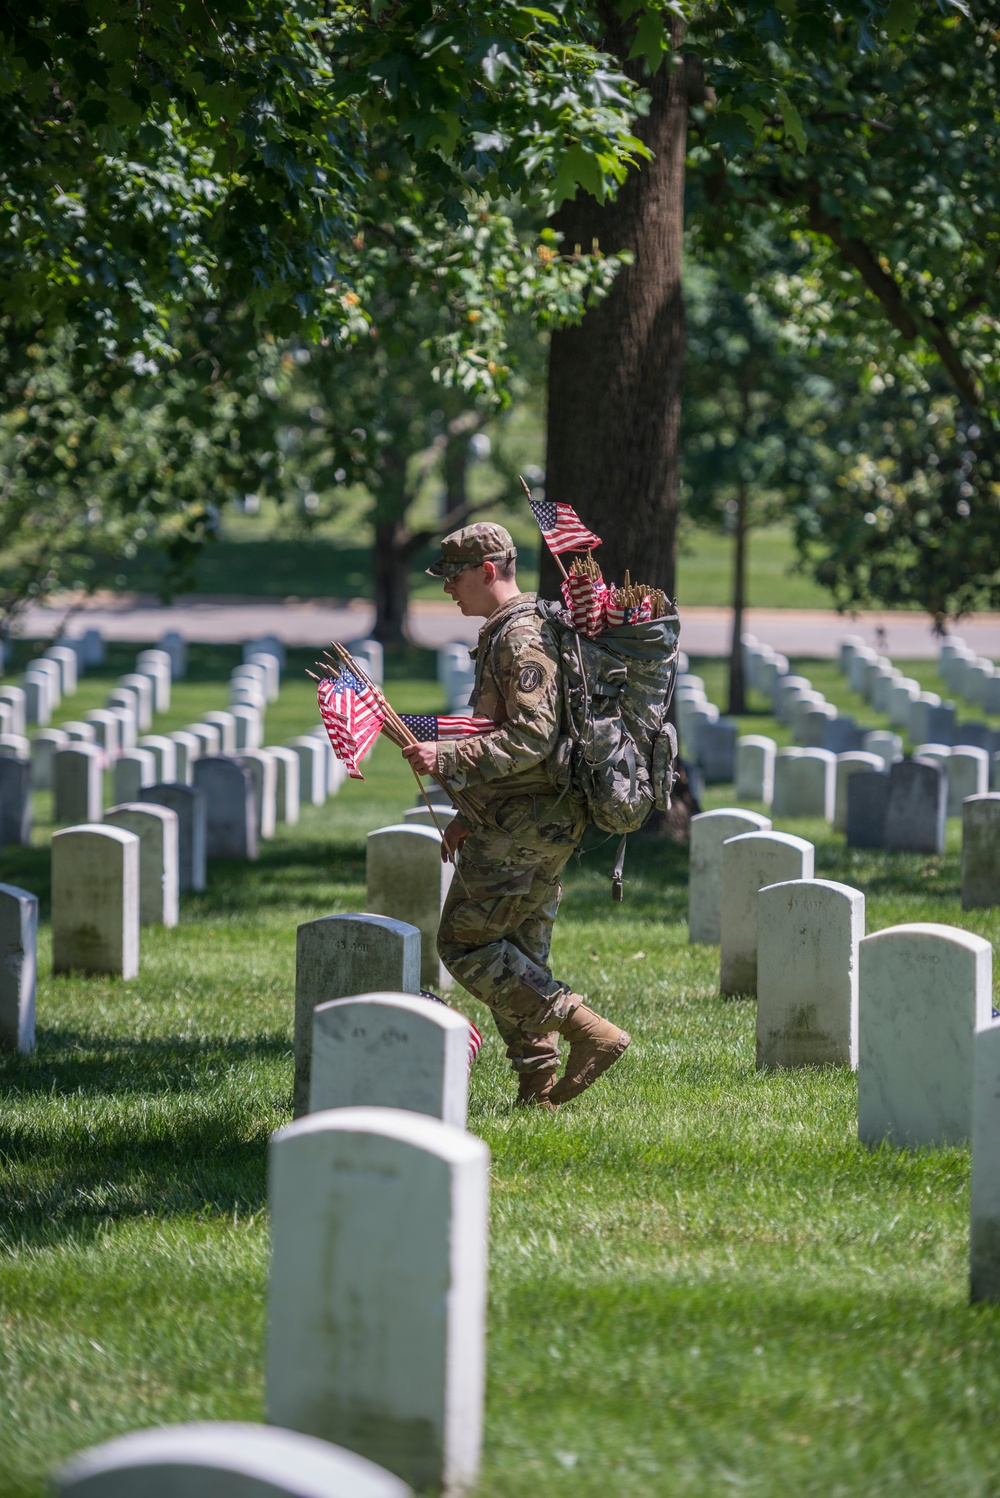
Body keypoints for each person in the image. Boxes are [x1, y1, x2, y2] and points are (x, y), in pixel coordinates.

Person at [401, 522, 630, 1110]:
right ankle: (538, 1086)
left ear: (486, 571)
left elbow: (530, 737)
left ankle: (588, 1030)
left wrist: (445, 755)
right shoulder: (506, 630)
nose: (447, 589)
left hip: (526, 825)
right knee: (520, 955)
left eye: (452, 577)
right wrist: (468, 815)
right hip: (523, 817)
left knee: (466, 947)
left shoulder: (521, 636)